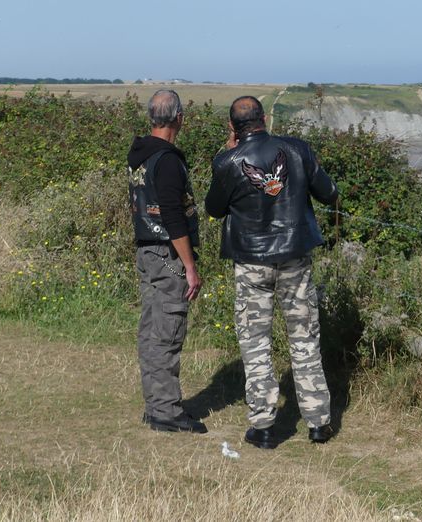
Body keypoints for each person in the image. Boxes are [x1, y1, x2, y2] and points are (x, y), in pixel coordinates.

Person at [205, 96, 338, 449]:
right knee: (304, 337)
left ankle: (263, 426)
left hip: (250, 262)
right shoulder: (298, 150)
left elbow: (214, 209)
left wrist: (226, 153)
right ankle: (318, 422)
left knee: (255, 342)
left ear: (233, 127)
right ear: (265, 118)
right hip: (295, 258)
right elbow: (329, 193)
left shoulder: (228, 162)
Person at [127, 89, 206, 434]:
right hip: (166, 253)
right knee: (166, 330)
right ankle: (165, 412)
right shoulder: (168, 160)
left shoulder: (142, 155)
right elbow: (174, 217)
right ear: (179, 118)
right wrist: (189, 266)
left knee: (152, 329)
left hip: (147, 250)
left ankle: (157, 403)